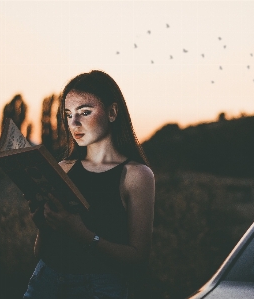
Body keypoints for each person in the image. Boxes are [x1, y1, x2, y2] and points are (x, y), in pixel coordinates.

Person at [23, 70, 155, 299]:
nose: (74, 123)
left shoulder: (136, 175)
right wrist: (44, 227)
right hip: (44, 281)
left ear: (113, 112)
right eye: (68, 114)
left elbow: (138, 258)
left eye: (84, 112)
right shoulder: (62, 168)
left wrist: (82, 233)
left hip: (98, 288)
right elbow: (40, 253)